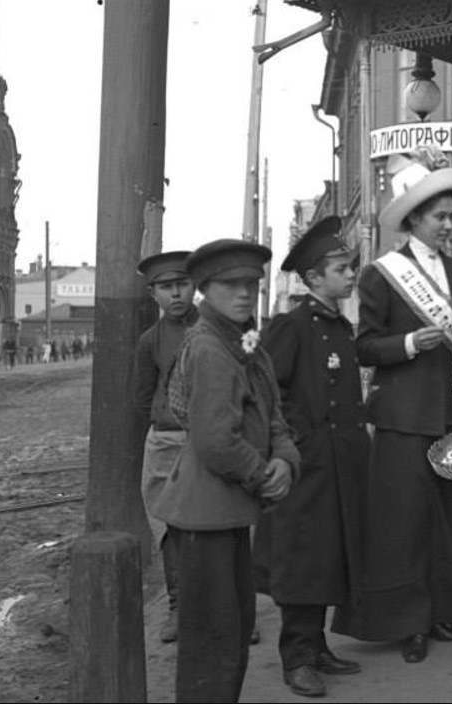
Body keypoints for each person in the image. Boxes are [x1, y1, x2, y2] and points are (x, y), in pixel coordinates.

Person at [333, 154, 452, 664]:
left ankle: (448, 612)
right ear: (413, 221)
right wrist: (408, 342)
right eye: (440, 217)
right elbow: (365, 347)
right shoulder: (381, 277)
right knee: (403, 522)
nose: (449, 225)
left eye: (451, 216)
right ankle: (408, 624)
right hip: (401, 416)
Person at [152, 238, 300, 704]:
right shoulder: (211, 347)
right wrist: (264, 474)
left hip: (226, 511)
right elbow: (215, 442)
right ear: (204, 289)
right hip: (205, 515)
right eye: (229, 285)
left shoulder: (245, 343)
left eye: (251, 285)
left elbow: (274, 413)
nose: (243, 294)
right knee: (213, 641)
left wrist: (286, 459)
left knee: (232, 632)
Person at [252, 216, 369, 699]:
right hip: (306, 464)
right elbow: (268, 390)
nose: (350, 275)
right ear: (313, 278)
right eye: (341, 268)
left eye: (349, 266)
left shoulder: (338, 324)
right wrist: (297, 440)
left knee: (326, 555)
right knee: (302, 558)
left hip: (340, 462)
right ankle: (296, 657)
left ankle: (316, 645)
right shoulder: (292, 326)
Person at [131, 249, 197, 644]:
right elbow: (141, 399)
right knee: (170, 530)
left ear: (195, 287)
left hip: (211, 441)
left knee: (224, 529)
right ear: (153, 293)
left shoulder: (216, 327)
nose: (176, 295)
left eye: (182, 285)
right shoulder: (149, 341)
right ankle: (178, 608)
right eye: (166, 288)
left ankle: (233, 613)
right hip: (168, 443)